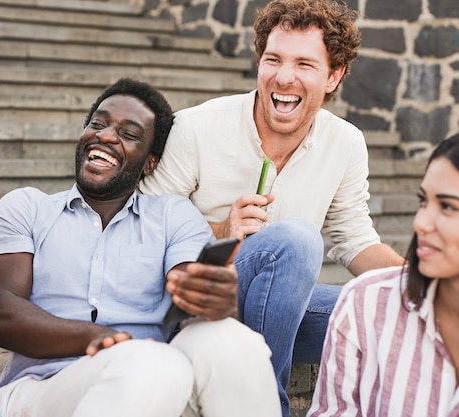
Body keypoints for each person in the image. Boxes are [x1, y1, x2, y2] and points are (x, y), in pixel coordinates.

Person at [138, 0, 405, 414]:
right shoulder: (197, 127)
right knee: (296, 239)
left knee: (391, 311)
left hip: (276, 307)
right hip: (193, 302)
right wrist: (221, 229)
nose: (284, 77)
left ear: (334, 76)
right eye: (273, 59)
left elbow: (355, 239)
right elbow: (140, 226)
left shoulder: (346, 143)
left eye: (304, 64)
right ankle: (269, 404)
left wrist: (427, 287)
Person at [0, 78, 281, 417]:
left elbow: (189, 284)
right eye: (98, 123)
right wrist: (100, 338)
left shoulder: (172, 216)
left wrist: (209, 297)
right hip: (42, 387)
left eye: (128, 133)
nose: (105, 136)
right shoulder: (26, 208)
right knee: (154, 363)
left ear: (149, 163)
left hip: (153, 389)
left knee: (233, 341)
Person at [307, 133, 459, 416]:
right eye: (423, 201)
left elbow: (356, 238)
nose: (421, 223)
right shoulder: (364, 303)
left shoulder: (343, 142)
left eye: (448, 206)